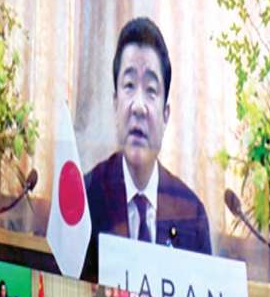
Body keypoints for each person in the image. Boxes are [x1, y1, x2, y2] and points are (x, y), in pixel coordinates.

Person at [82, 17, 211, 281]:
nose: (138, 106)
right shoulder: (87, 197)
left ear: (166, 115)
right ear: (115, 103)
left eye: (151, 90)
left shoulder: (191, 214)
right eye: (129, 86)